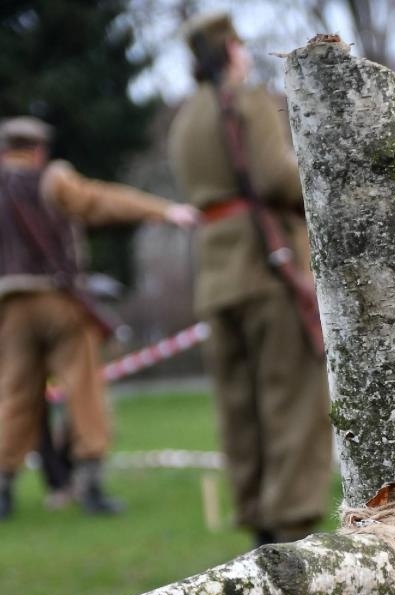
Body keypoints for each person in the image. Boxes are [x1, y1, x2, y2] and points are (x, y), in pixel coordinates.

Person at [168, 11, 332, 546]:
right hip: (267, 265)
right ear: (228, 51)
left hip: (215, 273)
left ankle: (257, 513)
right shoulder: (246, 101)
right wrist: (326, 198)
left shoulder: (184, 118)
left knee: (240, 407)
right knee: (289, 394)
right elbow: (277, 177)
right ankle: (291, 521)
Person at [0, 116, 198, 520]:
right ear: (39, 150)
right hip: (59, 301)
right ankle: (90, 487)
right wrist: (163, 210)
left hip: (10, 308)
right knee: (83, 391)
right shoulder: (51, 180)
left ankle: (3, 490)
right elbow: (101, 200)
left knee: (14, 396)